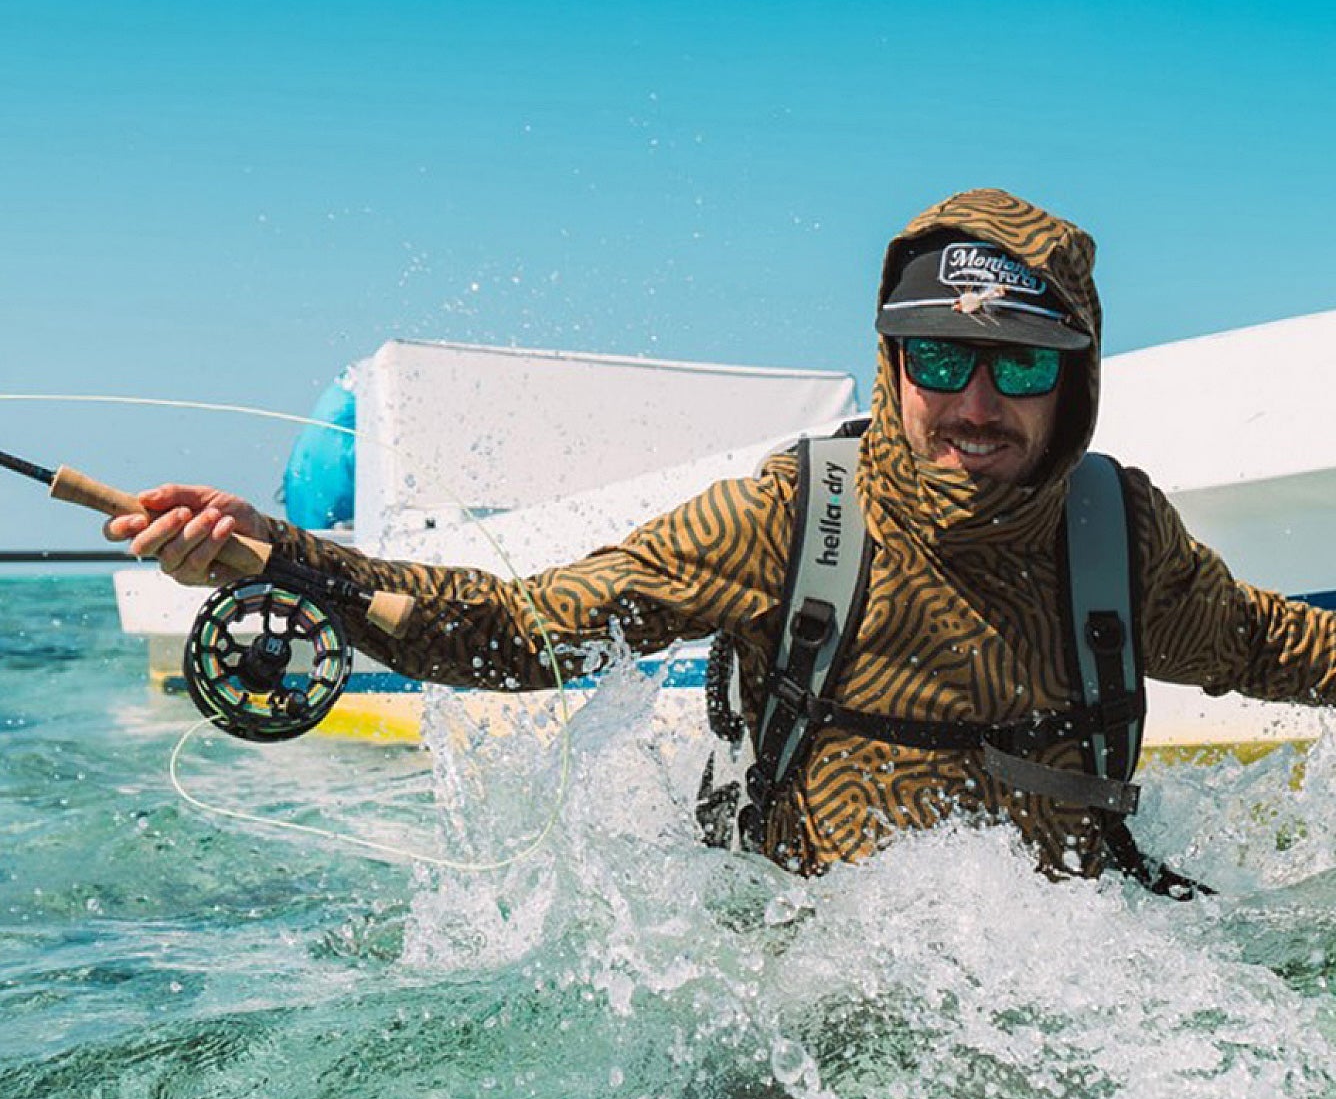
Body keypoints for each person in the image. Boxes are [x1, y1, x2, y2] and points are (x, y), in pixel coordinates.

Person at [106, 188, 1336, 883]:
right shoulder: (794, 517)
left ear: (1074, 381)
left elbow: (1287, 648)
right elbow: (519, 631)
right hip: (800, 994)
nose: (973, 402)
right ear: (893, 363)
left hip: (1079, 982)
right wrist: (276, 553)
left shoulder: (1119, 535)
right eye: (941, 357)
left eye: (1017, 360)